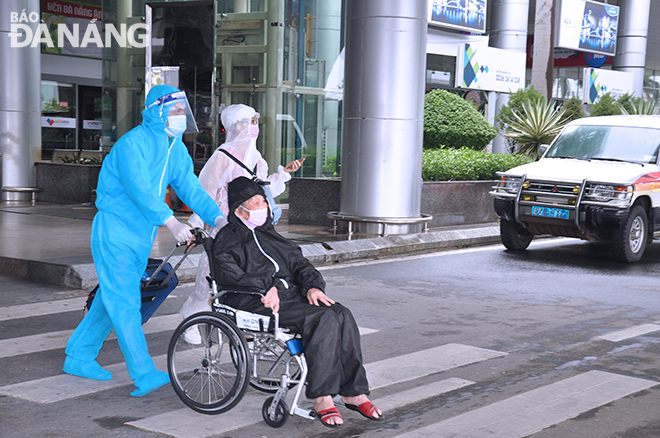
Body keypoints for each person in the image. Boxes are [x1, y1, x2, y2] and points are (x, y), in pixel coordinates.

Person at [63, 85, 225, 397]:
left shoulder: (174, 147)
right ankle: (143, 371)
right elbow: (139, 190)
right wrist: (170, 223)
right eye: (175, 111)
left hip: (140, 236)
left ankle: (79, 355)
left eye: (183, 111)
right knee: (124, 301)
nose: (180, 117)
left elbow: (190, 186)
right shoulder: (131, 145)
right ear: (156, 111)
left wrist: (217, 218)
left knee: (112, 298)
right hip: (115, 232)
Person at [212, 176, 383, 427]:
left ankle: (353, 391)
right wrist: (265, 287)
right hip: (252, 299)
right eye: (255, 203)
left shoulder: (271, 235)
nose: (263, 207)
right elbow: (231, 275)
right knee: (322, 319)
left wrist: (313, 286)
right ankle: (323, 397)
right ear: (239, 210)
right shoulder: (227, 240)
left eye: (263, 202)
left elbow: (300, 264)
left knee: (340, 312)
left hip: (288, 296)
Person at [180, 104, 304, 329]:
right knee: (212, 267)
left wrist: (283, 174)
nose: (253, 127)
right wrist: (193, 226)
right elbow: (205, 193)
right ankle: (194, 313)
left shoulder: (256, 158)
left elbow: (263, 191)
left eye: (255, 122)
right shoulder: (222, 156)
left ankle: (244, 316)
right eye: (248, 121)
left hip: (252, 223)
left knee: (249, 267)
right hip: (224, 222)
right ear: (235, 125)